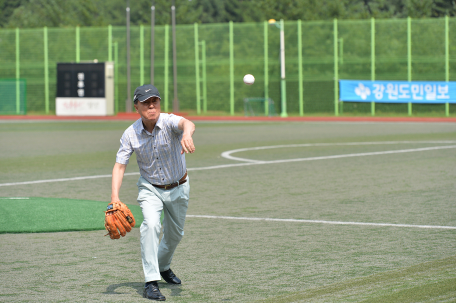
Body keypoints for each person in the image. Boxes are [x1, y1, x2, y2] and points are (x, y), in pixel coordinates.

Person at [111, 84, 196, 301]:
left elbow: (188, 122)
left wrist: (187, 133)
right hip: (150, 189)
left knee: (175, 235)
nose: (151, 105)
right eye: (146, 102)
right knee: (151, 225)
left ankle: (163, 266)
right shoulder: (130, 134)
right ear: (136, 106)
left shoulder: (168, 121)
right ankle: (151, 281)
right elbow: (120, 166)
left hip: (179, 187)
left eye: (155, 101)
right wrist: (115, 198)